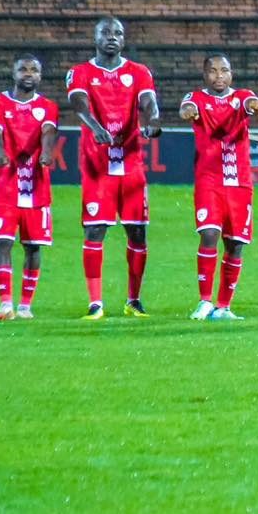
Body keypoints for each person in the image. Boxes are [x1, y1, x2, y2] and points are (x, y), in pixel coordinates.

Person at [66, 17, 161, 320]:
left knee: (138, 233)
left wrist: (153, 122)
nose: (112, 37)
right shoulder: (80, 72)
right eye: (106, 32)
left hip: (132, 165)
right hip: (98, 167)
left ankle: (134, 300)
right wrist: (94, 126)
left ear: (124, 39)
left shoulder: (139, 72)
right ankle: (95, 303)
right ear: (95, 38)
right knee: (95, 230)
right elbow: (80, 104)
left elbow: (149, 103)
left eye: (118, 33)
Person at [180, 54, 258, 321]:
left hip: (239, 183)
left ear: (232, 73)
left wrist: (255, 104)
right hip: (210, 181)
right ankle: (204, 301)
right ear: (204, 75)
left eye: (224, 70)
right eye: (213, 71)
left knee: (235, 244)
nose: (219, 76)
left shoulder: (242, 97)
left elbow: (252, 104)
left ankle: (224, 307)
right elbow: (186, 108)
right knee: (209, 234)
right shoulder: (196, 98)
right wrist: (188, 113)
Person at [0, 55, 59, 320]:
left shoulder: (48, 106)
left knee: (33, 246)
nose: (28, 73)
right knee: (3, 241)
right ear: (13, 72)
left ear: (40, 76)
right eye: (23, 69)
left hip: (36, 187)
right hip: (6, 186)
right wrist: (0, 152)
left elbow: (48, 132)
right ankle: (6, 303)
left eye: (34, 70)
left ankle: (26, 305)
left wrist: (47, 154)